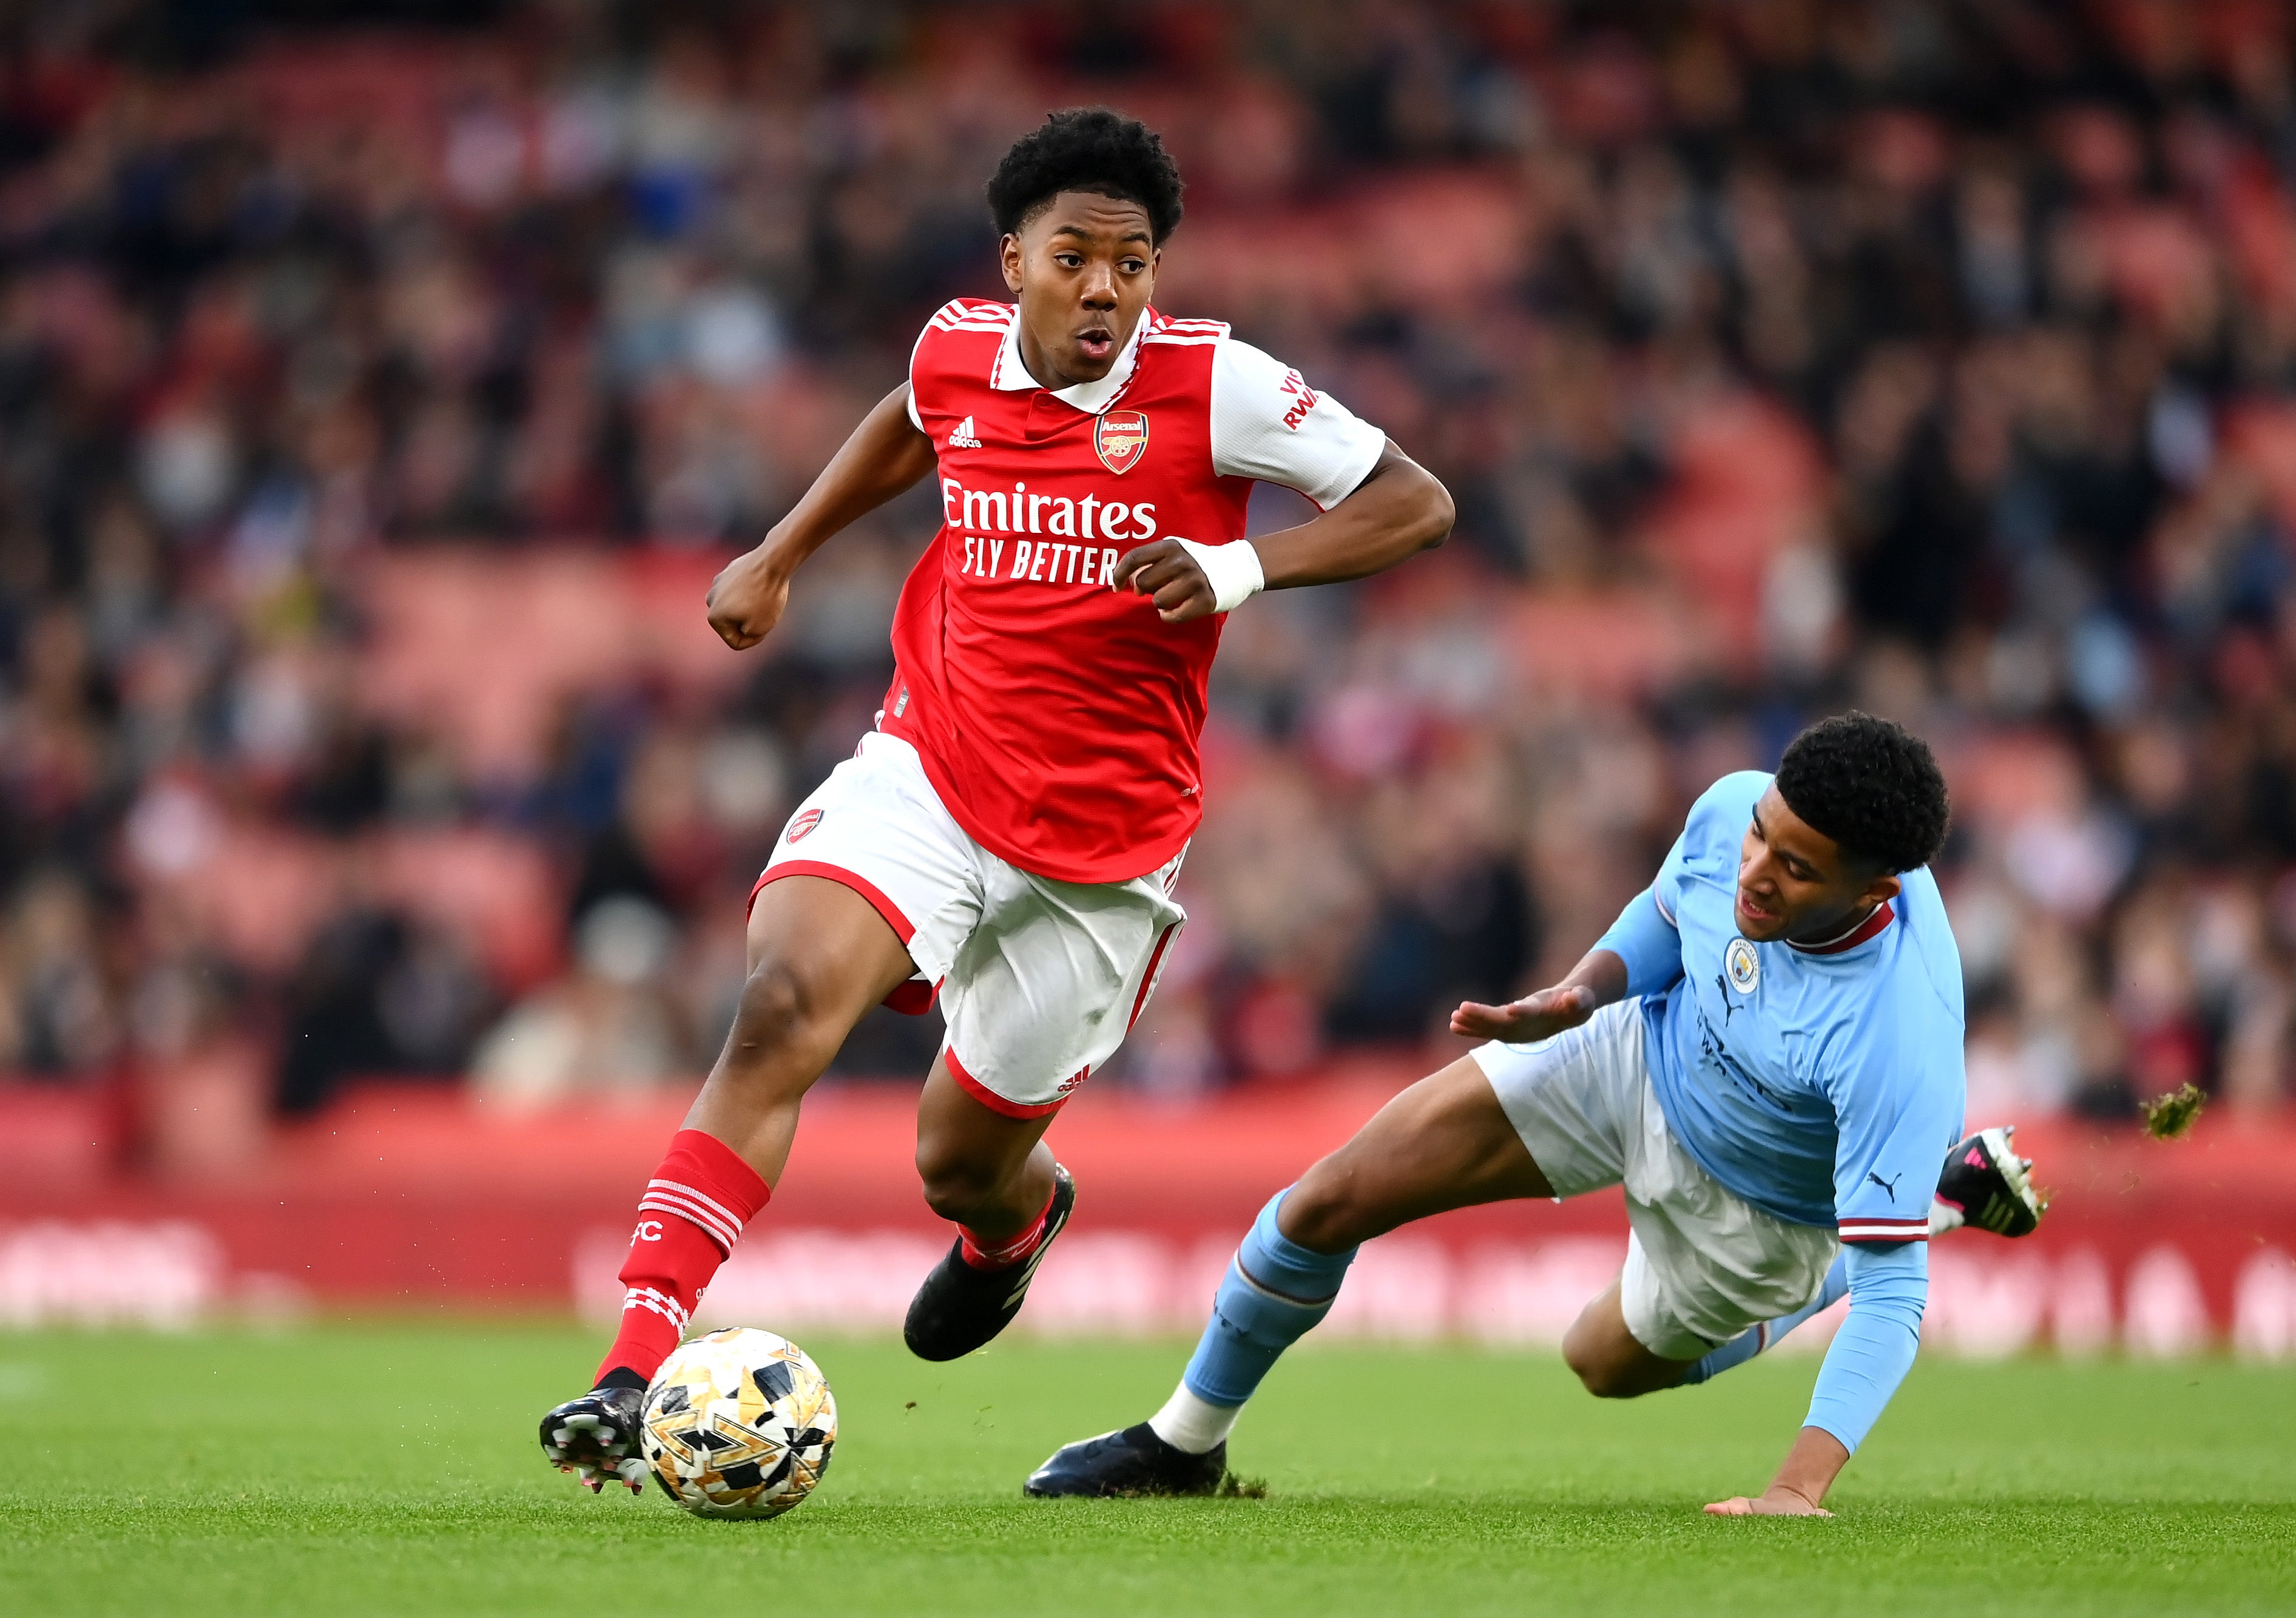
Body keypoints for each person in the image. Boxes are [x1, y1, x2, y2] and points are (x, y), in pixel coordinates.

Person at [538, 107, 1454, 1492]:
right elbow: (912, 423)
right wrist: (780, 552)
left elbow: (1418, 501)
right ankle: (630, 1364)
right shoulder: (955, 345)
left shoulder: (1219, 385)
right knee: (781, 1003)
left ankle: (1012, 1231)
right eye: (1075, 256)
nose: (1104, 289)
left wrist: (1241, 571)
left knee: (959, 1161)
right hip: (932, 765)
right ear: (1013, 256)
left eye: (1132, 264)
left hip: (1104, 852)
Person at [1026, 713, 2045, 1515]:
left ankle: (1941, 1198)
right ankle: (1182, 1443)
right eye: (1762, 836)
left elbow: (1894, 1297)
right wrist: (1581, 992)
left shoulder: (1898, 1032)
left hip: (1762, 1207)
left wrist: (1795, 1489)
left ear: (1878, 888)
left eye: (1795, 867)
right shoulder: (1739, 807)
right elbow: (1670, 905)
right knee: (1332, 1195)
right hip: (1643, 1048)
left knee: (1598, 1361)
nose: (1755, 870)